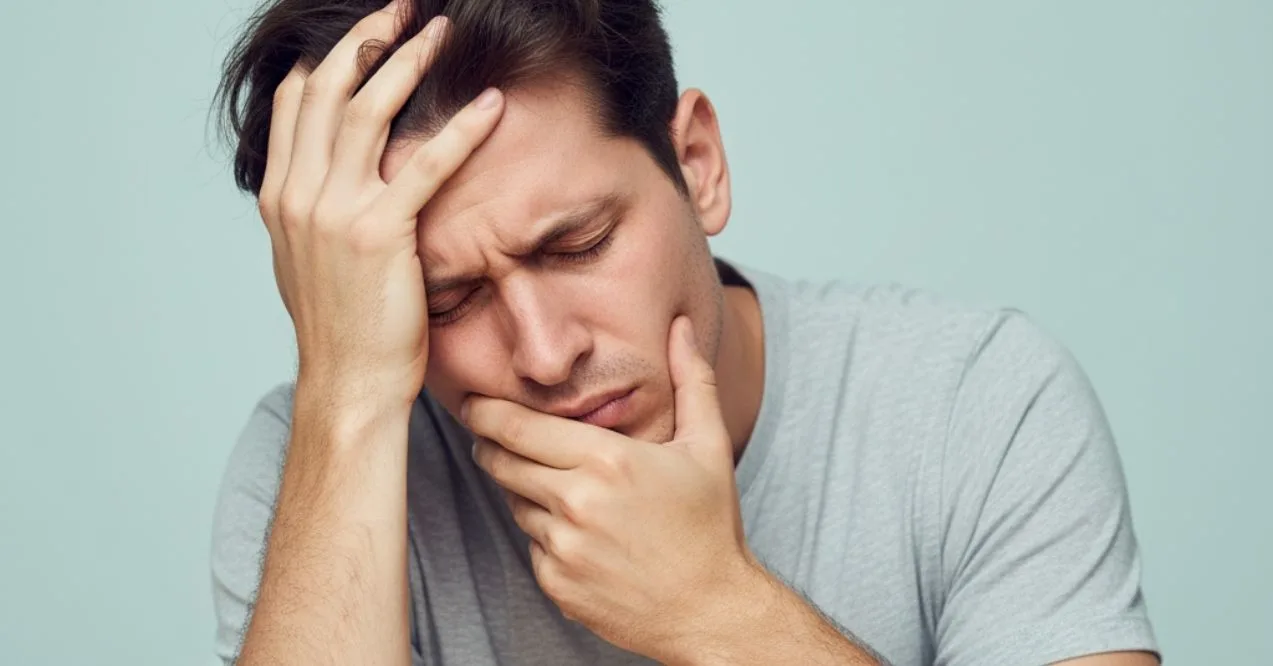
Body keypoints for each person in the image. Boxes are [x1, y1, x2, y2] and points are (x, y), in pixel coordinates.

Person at [209, 1, 1161, 664]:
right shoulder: (326, 458)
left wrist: (716, 610)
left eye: (577, 244)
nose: (544, 356)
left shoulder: (972, 401)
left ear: (697, 164)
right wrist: (347, 397)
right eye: (448, 302)